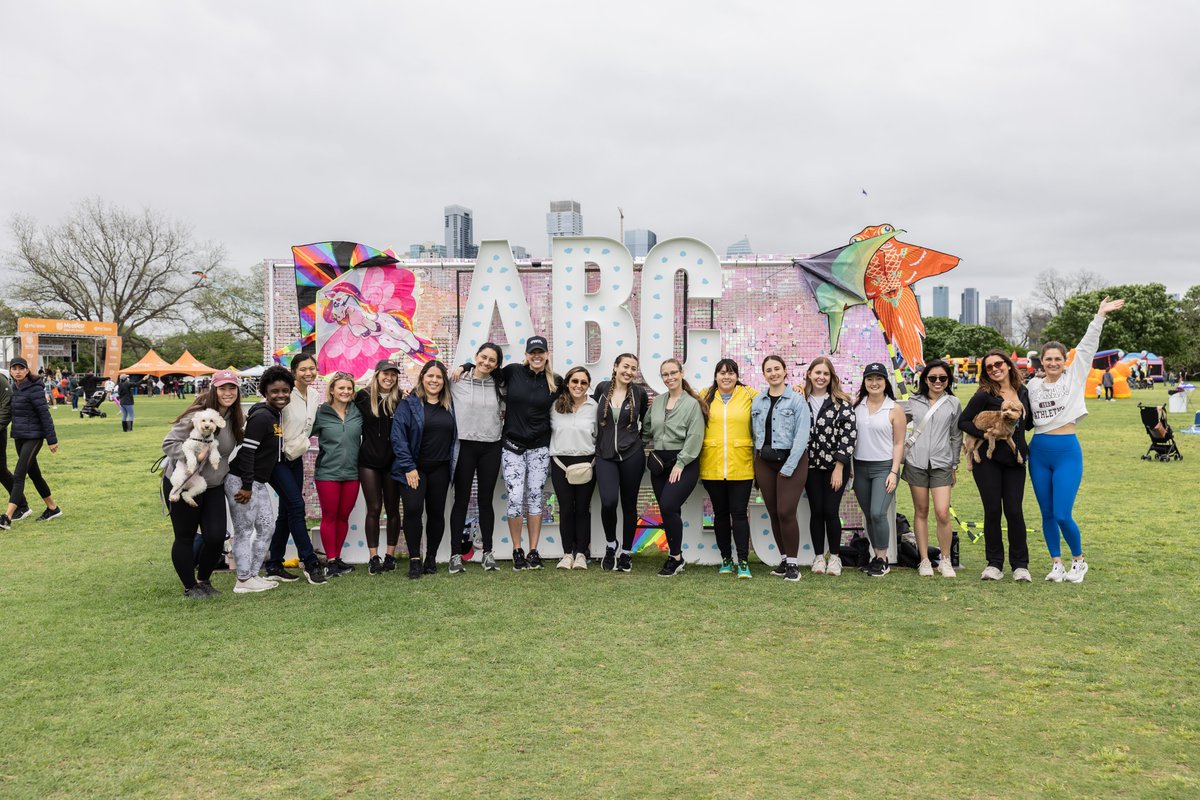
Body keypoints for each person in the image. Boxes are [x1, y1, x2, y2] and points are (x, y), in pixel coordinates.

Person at [1028, 296, 1125, 583]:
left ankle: (1079, 561)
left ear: (1064, 361)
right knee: (1046, 512)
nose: (1054, 363)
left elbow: (1086, 347)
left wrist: (1100, 316)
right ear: (1042, 362)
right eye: (1049, 359)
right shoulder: (1033, 384)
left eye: (1058, 358)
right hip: (1039, 451)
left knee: (1061, 513)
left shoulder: (1075, 375)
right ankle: (1056, 564)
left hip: (1066, 450)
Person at [458, 335, 561, 570]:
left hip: (539, 448)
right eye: (532, 352)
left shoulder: (556, 381)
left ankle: (533, 551)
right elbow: (487, 368)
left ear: (546, 355)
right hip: (512, 446)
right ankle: (517, 550)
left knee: (535, 498)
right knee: (515, 500)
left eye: (540, 352)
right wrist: (465, 366)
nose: (536, 356)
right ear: (526, 355)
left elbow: (571, 401)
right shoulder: (513, 371)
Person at [161, 370, 244, 598]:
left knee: (216, 536)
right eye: (222, 388)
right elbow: (168, 443)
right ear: (214, 390)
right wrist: (193, 457)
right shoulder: (198, 416)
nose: (228, 393)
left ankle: (204, 580)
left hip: (213, 485)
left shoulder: (234, 418)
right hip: (184, 482)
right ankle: (190, 587)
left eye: (232, 388)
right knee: (185, 536)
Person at [959, 350, 1034, 581]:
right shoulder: (984, 394)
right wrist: (985, 432)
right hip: (988, 461)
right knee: (992, 510)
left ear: (1008, 365)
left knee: (1014, 510)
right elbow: (963, 420)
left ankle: (1020, 565)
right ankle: (994, 564)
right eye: (989, 367)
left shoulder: (1023, 391)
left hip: (1015, 460)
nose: (994, 369)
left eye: (998, 364)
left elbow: (1029, 423)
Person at [225, 366, 293, 594]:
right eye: (275, 391)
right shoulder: (262, 416)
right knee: (244, 531)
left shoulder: (274, 413)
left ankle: (253, 575)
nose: (281, 395)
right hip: (242, 482)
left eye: (285, 390)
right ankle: (243, 580)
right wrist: (246, 486)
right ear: (265, 391)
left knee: (266, 528)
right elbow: (247, 453)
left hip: (257, 482)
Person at [263, 353, 326, 585]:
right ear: (293, 371)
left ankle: (273, 564)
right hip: (276, 460)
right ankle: (310, 562)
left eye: (312, 368)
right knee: (297, 506)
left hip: (295, 457)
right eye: (303, 369)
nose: (308, 373)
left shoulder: (315, 394)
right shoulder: (285, 394)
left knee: (286, 511)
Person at [392, 360, 457, 579]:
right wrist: (409, 467)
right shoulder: (409, 404)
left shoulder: (450, 405)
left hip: (441, 468)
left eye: (439, 377)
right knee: (412, 509)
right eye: (430, 376)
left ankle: (431, 557)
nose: (434, 380)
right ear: (422, 377)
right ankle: (414, 559)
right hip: (414, 469)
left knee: (436, 513)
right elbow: (398, 437)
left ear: (444, 381)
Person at [643, 358, 706, 578]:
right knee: (667, 511)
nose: (669, 377)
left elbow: (695, 436)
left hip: (684, 463)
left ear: (681, 373)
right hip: (660, 464)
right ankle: (675, 554)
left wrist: (680, 463)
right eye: (665, 374)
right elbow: (647, 429)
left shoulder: (692, 404)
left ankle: (675, 558)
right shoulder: (658, 402)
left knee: (669, 505)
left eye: (673, 373)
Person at [751, 355, 811, 582]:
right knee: (774, 511)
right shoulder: (758, 401)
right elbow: (754, 433)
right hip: (764, 462)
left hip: (791, 461)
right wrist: (756, 465)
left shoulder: (796, 400)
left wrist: (790, 466)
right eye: (769, 370)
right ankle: (784, 559)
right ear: (764, 374)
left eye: (777, 368)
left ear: (785, 371)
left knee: (786, 511)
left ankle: (794, 564)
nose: (773, 373)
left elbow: (802, 436)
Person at [900, 360, 962, 578]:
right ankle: (924, 559)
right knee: (921, 511)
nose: (937, 382)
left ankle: (945, 559)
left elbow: (956, 436)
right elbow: (891, 416)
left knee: (943, 512)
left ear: (948, 380)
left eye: (942, 378)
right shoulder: (912, 401)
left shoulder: (953, 403)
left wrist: (954, 463)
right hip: (916, 462)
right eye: (933, 378)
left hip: (942, 463)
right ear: (924, 379)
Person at [448, 343, 505, 573]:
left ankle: (488, 553)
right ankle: (455, 555)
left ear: (497, 364)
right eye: (483, 357)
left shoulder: (500, 385)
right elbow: (430, 381)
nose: (487, 362)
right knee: (461, 500)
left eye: (492, 360)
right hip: (464, 446)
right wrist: (465, 366)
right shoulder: (456, 380)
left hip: (491, 446)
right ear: (476, 357)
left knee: (485, 500)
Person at [699, 359, 757, 578]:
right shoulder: (704, 395)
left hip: (741, 464)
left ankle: (743, 561)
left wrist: (797, 389)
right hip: (712, 464)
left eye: (731, 373)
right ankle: (726, 559)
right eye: (722, 373)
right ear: (715, 375)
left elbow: (774, 396)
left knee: (739, 513)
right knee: (720, 514)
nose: (726, 377)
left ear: (737, 376)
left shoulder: (749, 394)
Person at [592, 353, 649, 572]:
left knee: (629, 505)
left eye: (633, 368)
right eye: (625, 366)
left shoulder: (639, 393)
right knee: (608, 502)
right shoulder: (601, 389)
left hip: (631, 456)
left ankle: (626, 552)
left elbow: (647, 420)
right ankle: (610, 544)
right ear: (615, 367)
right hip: (605, 455)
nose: (629, 371)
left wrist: (639, 443)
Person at [802, 356, 856, 577]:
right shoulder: (800, 400)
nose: (821, 377)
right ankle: (817, 557)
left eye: (825, 373)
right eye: (817, 373)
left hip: (835, 467)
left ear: (831, 377)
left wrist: (839, 467)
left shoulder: (842, 403)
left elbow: (849, 436)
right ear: (809, 374)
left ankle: (834, 557)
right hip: (810, 467)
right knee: (816, 511)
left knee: (831, 511)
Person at [851, 362, 905, 578]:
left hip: (884, 468)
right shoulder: (857, 406)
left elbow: (899, 443)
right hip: (861, 467)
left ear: (885, 382)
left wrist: (893, 471)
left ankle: (883, 559)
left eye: (879, 379)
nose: (874, 383)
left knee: (878, 513)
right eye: (870, 379)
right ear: (864, 382)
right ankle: (876, 557)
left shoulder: (894, 409)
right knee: (869, 515)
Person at [310, 371, 363, 578]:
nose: (346, 391)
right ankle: (330, 560)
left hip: (352, 472)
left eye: (349, 388)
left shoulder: (357, 411)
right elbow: (303, 431)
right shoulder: (320, 413)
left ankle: (337, 557)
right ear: (332, 390)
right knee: (330, 516)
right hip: (327, 473)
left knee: (343, 516)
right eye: (341, 388)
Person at [0, 357, 62, 529]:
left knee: (19, 475)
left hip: (34, 437)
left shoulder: (34, 389)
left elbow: (45, 415)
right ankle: (53, 508)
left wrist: (52, 440)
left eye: (21, 368)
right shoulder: (14, 388)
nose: (18, 371)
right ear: (10, 371)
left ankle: (7, 517)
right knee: (35, 474)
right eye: (14, 368)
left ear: (27, 371)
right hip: (19, 437)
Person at [355, 360, 403, 575]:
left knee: (393, 509)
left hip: (393, 463)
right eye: (386, 373)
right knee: (374, 508)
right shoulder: (363, 397)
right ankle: (373, 556)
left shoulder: (401, 398)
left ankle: (390, 555)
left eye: (393, 374)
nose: (389, 378)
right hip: (369, 462)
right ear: (377, 374)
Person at [550, 366, 598, 570]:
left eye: (583, 382)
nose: (578, 386)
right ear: (567, 383)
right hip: (560, 463)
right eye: (575, 381)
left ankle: (581, 553)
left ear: (588, 386)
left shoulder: (595, 407)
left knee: (582, 509)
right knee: (566, 509)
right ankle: (567, 553)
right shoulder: (554, 406)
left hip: (587, 463)